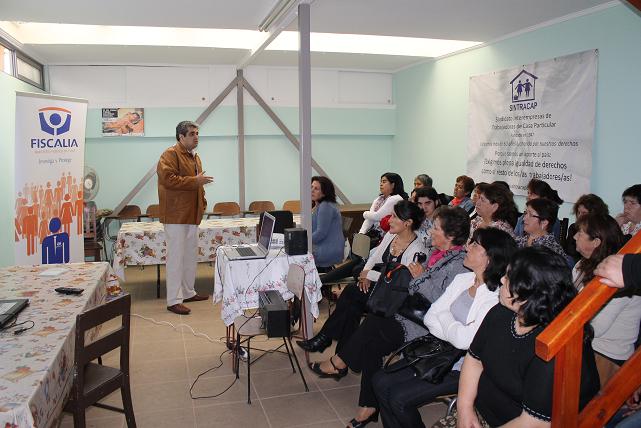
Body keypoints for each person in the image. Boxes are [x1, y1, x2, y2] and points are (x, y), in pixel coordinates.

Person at [307, 207, 471, 428]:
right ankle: (367, 406)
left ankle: (340, 362)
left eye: (436, 228)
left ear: (450, 235)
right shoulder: (436, 254)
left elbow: (439, 300)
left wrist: (418, 277)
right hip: (410, 313)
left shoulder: (458, 264)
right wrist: (415, 277)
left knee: (373, 324)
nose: (431, 231)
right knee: (372, 340)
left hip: (427, 326)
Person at [435, 247, 600, 427]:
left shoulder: (553, 346)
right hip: (478, 413)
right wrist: (465, 408)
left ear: (530, 294)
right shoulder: (501, 312)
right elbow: (474, 359)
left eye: (508, 278)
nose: (501, 280)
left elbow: (533, 422)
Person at [373, 228, 517, 428]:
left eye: (475, 244)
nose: (468, 247)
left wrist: (446, 319)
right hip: (436, 352)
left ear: (490, 257)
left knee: (398, 398)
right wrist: (453, 327)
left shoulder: (495, 297)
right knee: (380, 381)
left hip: (462, 368)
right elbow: (432, 315)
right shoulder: (463, 280)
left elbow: (466, 341)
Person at [298, 200, 427, 354]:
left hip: (395, 298)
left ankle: (326, 338)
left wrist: (370, 274)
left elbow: (400, 281)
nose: (389, 220)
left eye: (394, 217)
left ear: (408, 223)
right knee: (352, 306)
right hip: (382, 288)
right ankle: (340, 354)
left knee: (351, 292)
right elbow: (374, 259)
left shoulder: (417, 250)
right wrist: (365, 275)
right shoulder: (392, 236)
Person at [572, 214, 640, 387]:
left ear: (595, 242)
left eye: (579, 233)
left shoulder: (620, 278)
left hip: (606, 354)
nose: (574, 237)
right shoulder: (581, 265)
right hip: (585, 343)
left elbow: (596, 328)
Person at [157, 120, 213, 315]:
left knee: (190, 256)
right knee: (175, 259)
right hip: (175, 215)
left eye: (197, 133)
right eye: (191, 134)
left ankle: (188, 292)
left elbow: (197, 185)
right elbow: (168, 179)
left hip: (192, 214)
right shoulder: (170, 155)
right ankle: (173, 300)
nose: (196, 137)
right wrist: (195, 181)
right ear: (181, 137)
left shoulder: (194, 157)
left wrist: (202, 203)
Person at [310, 176, 345, 271]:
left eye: (316, 188)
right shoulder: (319, 205)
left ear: (324, 193)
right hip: (324, 247)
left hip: (326, 251)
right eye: (311, 187)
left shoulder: (325, 206)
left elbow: (320, 233)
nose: (312, 190)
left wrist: (303, 241)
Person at [359, 173, 409, 237]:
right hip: (374, 233)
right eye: (381, 182)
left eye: (384, 182)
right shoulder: (379, 199)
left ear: (393, 185)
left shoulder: (396, 198)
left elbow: (377, 217)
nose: (381, 184)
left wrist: (364, 213)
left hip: (388, 235)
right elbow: (370, 219)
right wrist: (361, 233)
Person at [564, 193, 609, 261]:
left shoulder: (601, 232)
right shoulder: (573, 227)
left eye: (584, 213)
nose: (580, 216)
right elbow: (568, 252)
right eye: (578, 212)